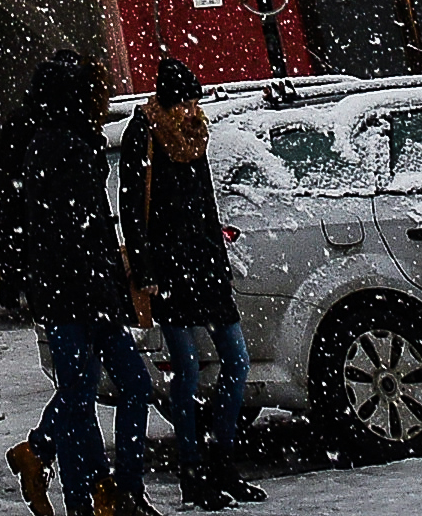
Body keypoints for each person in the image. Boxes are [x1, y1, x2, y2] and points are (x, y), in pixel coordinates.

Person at [0, 57, 149, 516]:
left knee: (87, 392)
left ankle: (87, 484)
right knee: (96, 391)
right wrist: (103, 294)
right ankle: (102, 495)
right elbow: (71, 233)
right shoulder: (58, 146)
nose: (105, 100)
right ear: (76, 95)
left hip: (73, 291)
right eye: (98, 91)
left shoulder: (64, 139)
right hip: (75, 293)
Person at [125, 61, 266, 512]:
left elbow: (205, 202)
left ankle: (221, 459)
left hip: (204, 265)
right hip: (170, 270)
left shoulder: (194, 134)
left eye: (194, 101)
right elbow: (134, 207)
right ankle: (194, 470)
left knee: (236, 361)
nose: (191, 110)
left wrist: (218, 258)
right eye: (184, 102)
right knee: (185, 373)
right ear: (166, 101)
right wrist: (146, 272)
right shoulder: (144, 135)